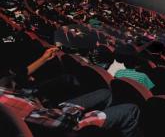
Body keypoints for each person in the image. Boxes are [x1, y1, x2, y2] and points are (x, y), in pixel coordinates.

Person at [0, 48, 141, 137]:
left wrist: (43, 58)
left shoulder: (4, 91)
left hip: (49, 112)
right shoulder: (13, 107)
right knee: (130, 109)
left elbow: (17, 77)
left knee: (105, 93)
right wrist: (83, 115)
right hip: (69, 125)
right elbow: (69, 125)